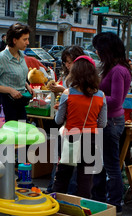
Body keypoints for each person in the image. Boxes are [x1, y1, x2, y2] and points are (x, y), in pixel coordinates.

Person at [52, 55, 107, 199]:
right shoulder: (101, 96)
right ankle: (82, 213)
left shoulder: (67, 94)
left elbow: (58, 121)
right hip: (91, 138)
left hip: (71, 137)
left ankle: (58, 210)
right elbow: (102, 124)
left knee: (63, 177)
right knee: (85, 180)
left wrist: (62, 112)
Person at [91, 32, 132, 215]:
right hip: (105, 121)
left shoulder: (118, 70)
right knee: (100, 163)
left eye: (98, 50)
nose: (97, 53)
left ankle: (115, 204)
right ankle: (99, 200)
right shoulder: (114, 68)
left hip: (111, 122)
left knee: (111, 165)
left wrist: (93, 95)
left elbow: (115, 100)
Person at [46, 45, 85, 194]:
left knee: (68, 163)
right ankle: (54, 190)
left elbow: (75, 97)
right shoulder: (68, 77)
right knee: (63, 161)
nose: (68, 65)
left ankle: (59, 192)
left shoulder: (81, 79)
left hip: (73, 126)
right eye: (66, 62)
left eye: (71, 61)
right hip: (69, 125)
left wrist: (63, 92)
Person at [0, 23, 34, 122]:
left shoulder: (21, 55)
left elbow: (14, 75)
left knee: (21, 134)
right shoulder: (1, 58)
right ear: (14, 40)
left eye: (28, 39)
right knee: (9, 136)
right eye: (24, 39)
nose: (27, 42)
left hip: (20, 102)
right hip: (5, 105)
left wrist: (27, 85)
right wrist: (10, 90)